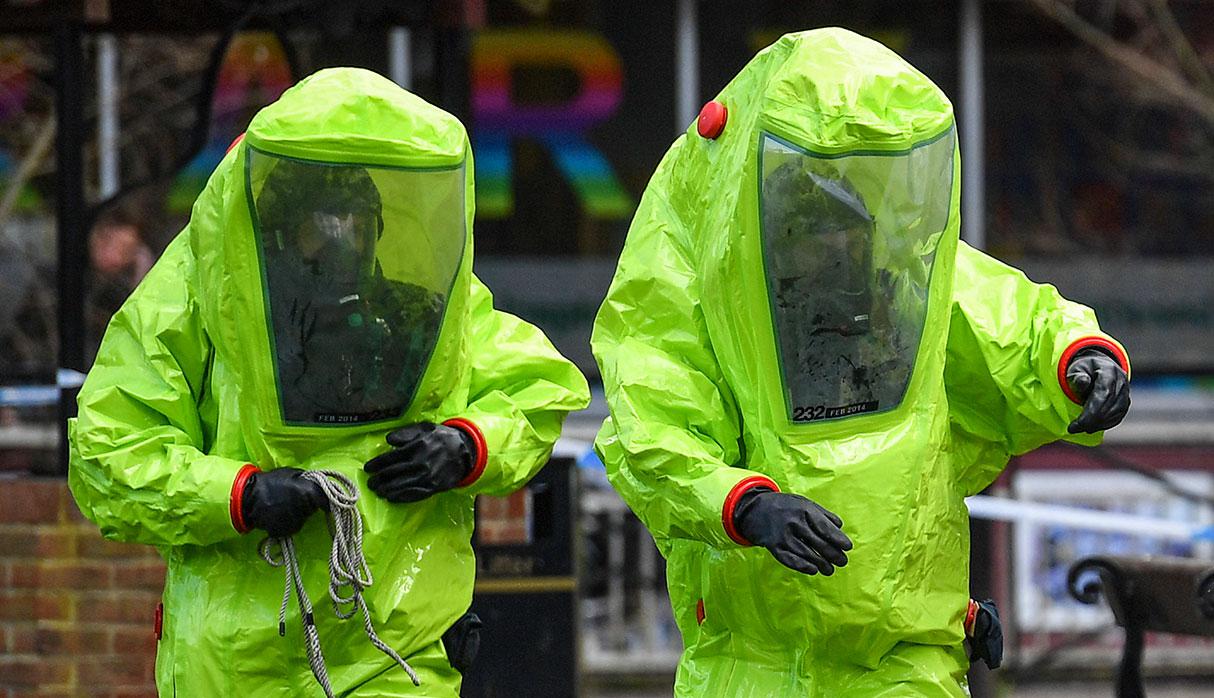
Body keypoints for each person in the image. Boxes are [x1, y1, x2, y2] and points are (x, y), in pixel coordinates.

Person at [592, 28, 1130, 696]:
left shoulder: (896, 287)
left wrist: (1079, 360)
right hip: (761, 669)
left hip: (907, 658)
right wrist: (746, 507)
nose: (836, 243)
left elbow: (1008, 322)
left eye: (845, 220)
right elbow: (653, 435)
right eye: (810, 222)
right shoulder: (703, 293)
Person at [69, 67, 590, 697]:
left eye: (357, 221)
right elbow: (109, 454)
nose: (342, 243)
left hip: (396, 648)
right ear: (277, 228)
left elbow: (536, 389)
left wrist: (466, 445)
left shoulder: (421, 315)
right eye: (323, 222)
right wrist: (240, 496)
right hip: (241, 665)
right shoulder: (193, 305)